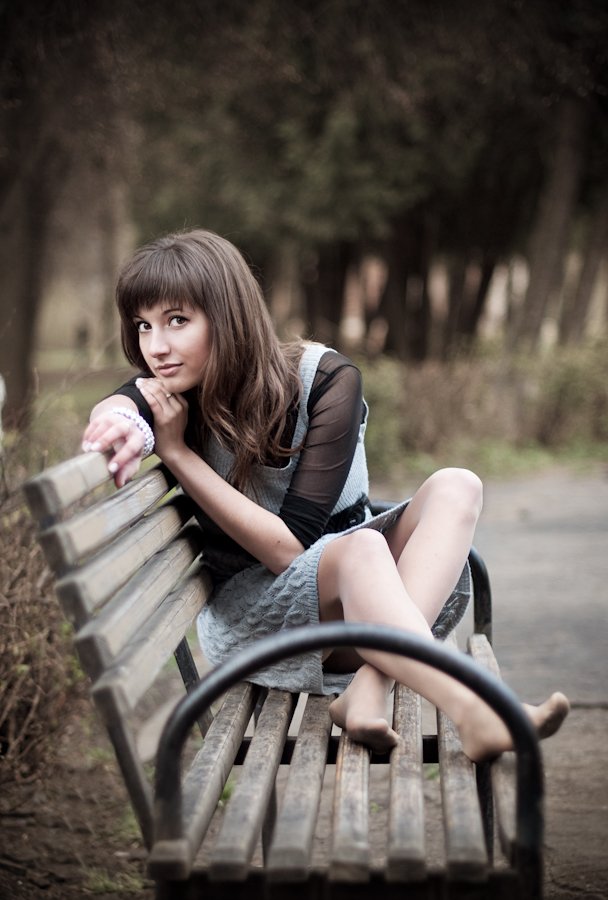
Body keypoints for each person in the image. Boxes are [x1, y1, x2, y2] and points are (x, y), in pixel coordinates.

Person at [82, 229, 569, 759]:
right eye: (144, 325)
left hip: (354, 597)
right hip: (258, 619)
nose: (156, 347)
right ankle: (477, 711)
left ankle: (369, 686)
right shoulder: (168, 393)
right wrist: (143, 435)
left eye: (177, 320)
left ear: (227, 315)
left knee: (458, 485)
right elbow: (120, 407)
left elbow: (291, 542)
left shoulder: (325, 379)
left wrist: (181, 455)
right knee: (364, 549)